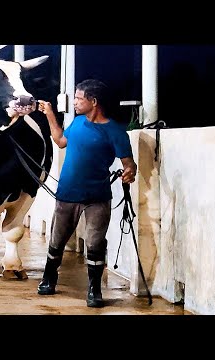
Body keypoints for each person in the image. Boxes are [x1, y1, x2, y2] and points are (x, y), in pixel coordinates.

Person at [36, 79, 137, 308]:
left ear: (94, 101)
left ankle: (94, 289)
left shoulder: (115, 132)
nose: (76, 102)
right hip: (67, 194)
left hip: (97, 197)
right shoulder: (78, 123)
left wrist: (129, 172)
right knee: (57, 240)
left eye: (79, 98)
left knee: (95, 243)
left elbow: (129, 163)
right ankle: (49, 278)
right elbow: (61, 141)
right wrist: (50, 113)